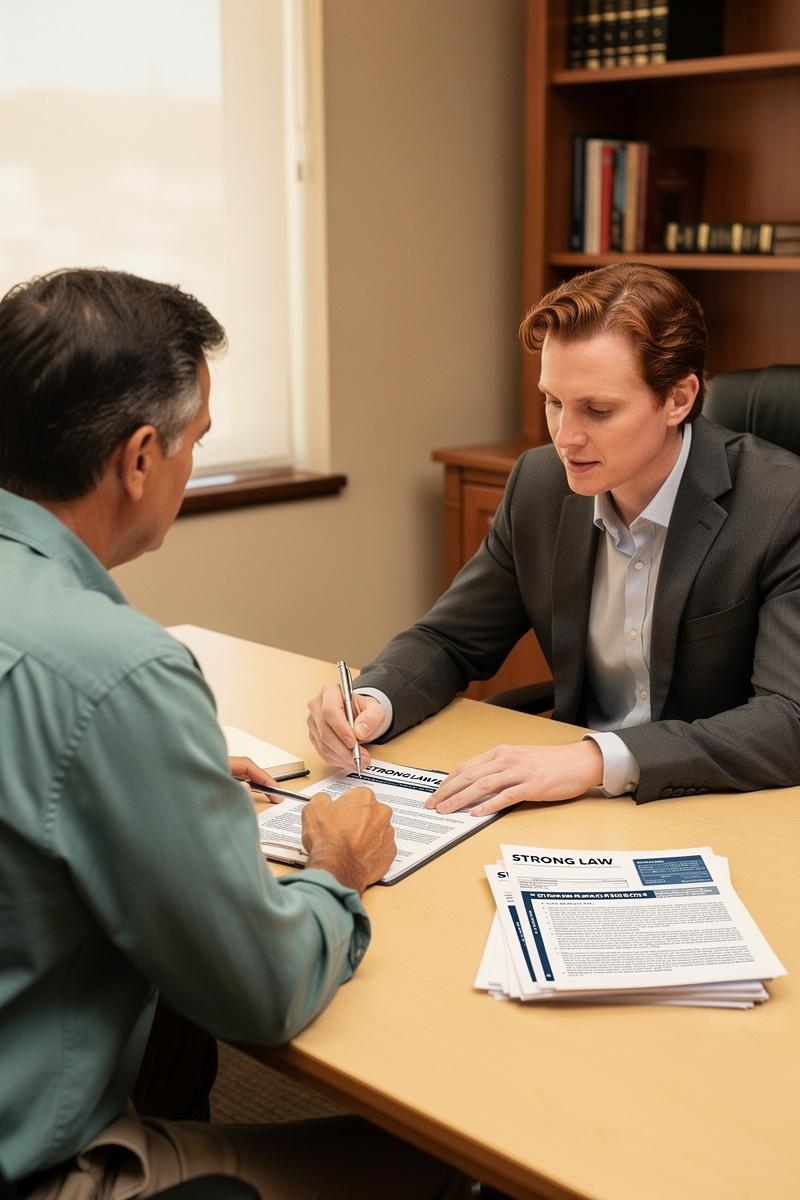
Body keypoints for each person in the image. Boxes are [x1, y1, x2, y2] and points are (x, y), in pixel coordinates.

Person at [0, 268, 470, 1200]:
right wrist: (337, 874)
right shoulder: (118, 669)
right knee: (441, 1165)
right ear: (140, 458)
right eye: (195, 443)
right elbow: (259, 992)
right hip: (35, 1165)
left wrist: (161, 773)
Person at [308, 262, 800, 813]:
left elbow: (788, 720)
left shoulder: (781, 506)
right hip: (577, 808)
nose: (566, 438)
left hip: (718, 805)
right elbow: (450, 640)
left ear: (679, 399)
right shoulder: (539, 485)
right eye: (553, 402)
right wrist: (375, 699)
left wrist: (593, 759)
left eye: (598, 409)